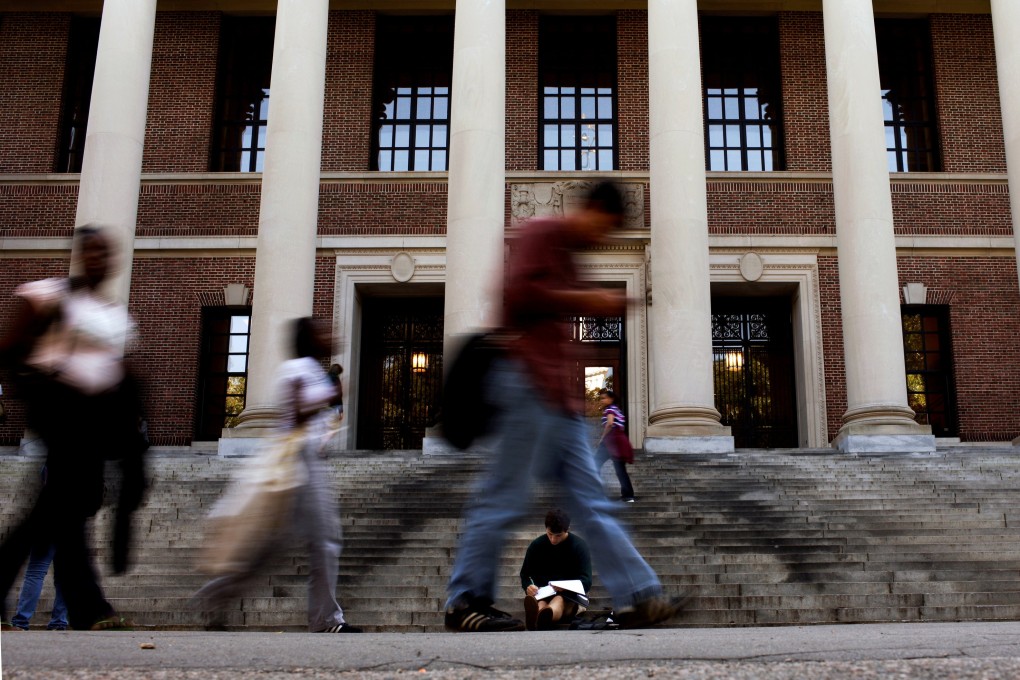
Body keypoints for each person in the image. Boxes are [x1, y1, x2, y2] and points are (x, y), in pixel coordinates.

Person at [443, 181, 687, 632]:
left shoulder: (570, 257)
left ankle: (640, 596)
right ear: (592, 209)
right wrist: (584, 298)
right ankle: (464, 601)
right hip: (527, 386)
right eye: (605, 227)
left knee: (594, 504)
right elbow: (516, 295)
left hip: (562, 402)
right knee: (503, 498)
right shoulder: (542, 233)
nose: (603, 238)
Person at [0, 225, 139, 631]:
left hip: (92, 420)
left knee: (58, 512)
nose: (98, 258)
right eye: (91, 250)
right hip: (59, 411)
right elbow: (11, 348)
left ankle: (88, 608)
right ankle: (90, 608)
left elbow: (117, 372)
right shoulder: (50, 295)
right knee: (62, 508)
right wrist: (35, 389)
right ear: (79, 255)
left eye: (105, 252)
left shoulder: (113, 316)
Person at [193, 317, 361, 633]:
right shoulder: (295, 368)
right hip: (295, 463)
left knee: (275, 545)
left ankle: (217, 593)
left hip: (303, 460)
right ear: (308, 340)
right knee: (322, 540)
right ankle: (325, 619)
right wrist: (329, 394)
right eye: (322, 332)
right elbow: (295, 411)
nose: (330, 335)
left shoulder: (312, 371)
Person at [520, 509, 591, 631]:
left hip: (570, 596)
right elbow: (525, 574)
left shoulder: (579, 546)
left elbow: (586, 580)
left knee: (558, 600)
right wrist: (528, 586)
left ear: (567, 529)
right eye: (550, 534)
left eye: (558, 535)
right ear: (546, 529)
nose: (553, 539)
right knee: (542, 602)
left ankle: (540, 618)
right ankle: (539, 617)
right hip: (543, 593)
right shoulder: (536, 545)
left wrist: (565, 587)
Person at [594, 389, 636, 503]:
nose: (602, 400)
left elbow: (610, 424)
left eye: (604, 398)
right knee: (620, 470)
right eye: (601, 398)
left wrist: (602, 438)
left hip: (611, 440)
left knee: (594, 465)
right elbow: (620, 426)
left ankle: (596, 493)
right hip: (620, 441)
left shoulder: (610, 409)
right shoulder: (618, 410)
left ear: (611, 399)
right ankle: (628, 496)